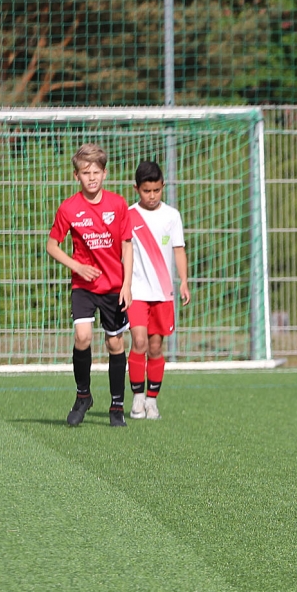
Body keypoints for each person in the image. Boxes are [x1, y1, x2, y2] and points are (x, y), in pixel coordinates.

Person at [46, 143, 133, 427]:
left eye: (96, 172)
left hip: (113, 286)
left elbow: (127, 245)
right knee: (82, 337)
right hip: (83, 286)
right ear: (76, 176)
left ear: (105, 173)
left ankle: (117, 406)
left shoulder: (118, 204)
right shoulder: (69, 208)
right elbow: (52, 246)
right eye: (85, 172)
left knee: (114, 342)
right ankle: (83, 396)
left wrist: (127, 284)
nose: (91, 177)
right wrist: (77, 266)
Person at [126, 161, 191, 420]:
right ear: (136, 189)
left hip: (163, 294)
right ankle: (137, 398)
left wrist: (183, 281)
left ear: (163, 187)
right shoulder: (128, 215)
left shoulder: (172, 216)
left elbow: (179, 249)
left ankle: (152, 400)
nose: (152, 196)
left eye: (156, 190)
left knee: (155, 347)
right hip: (136, 292)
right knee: (139, 342)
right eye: (146, 191)